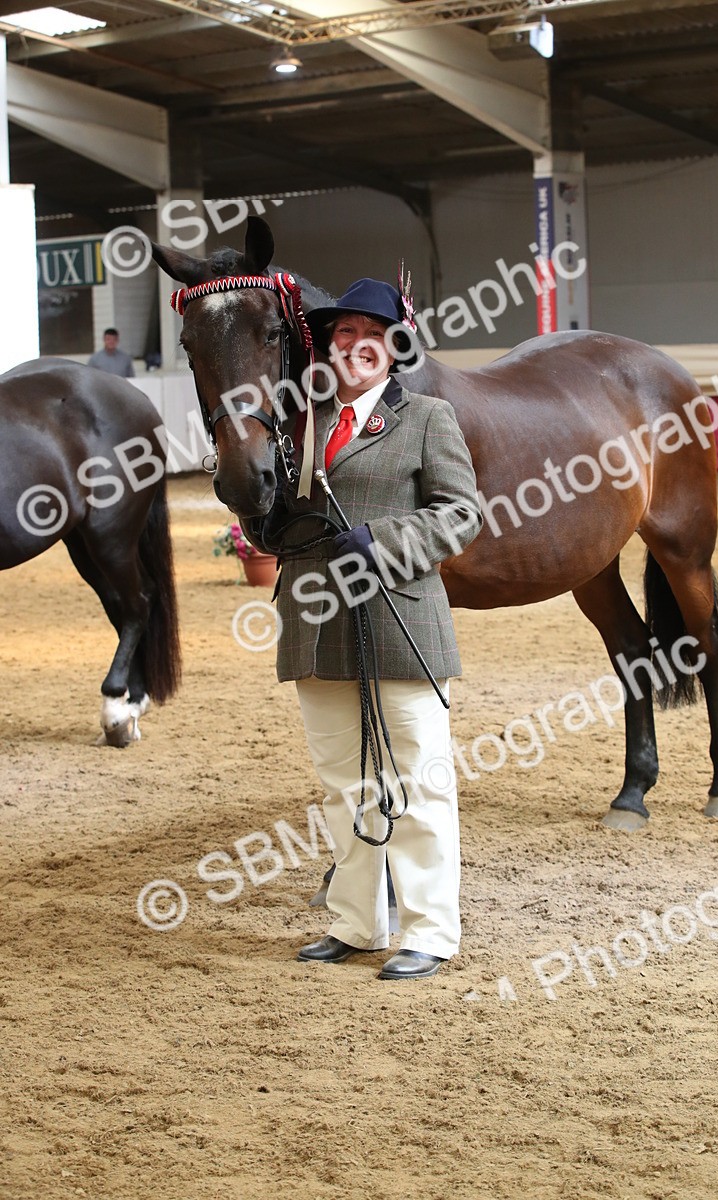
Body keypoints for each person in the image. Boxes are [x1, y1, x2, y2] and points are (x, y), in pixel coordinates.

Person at [243, 278, 482, 981]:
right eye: (344, 334)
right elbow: (285, 518)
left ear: (395, 345)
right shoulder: (302, 422)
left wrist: (383, 539)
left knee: (419, 783)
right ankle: (355, 922)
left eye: (371, 334)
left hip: (398, 621)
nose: (357, 346)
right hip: (316, 626)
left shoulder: (429, 418)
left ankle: (431, 931)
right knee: (345, 785)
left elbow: (461, 516)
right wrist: (260, 519)